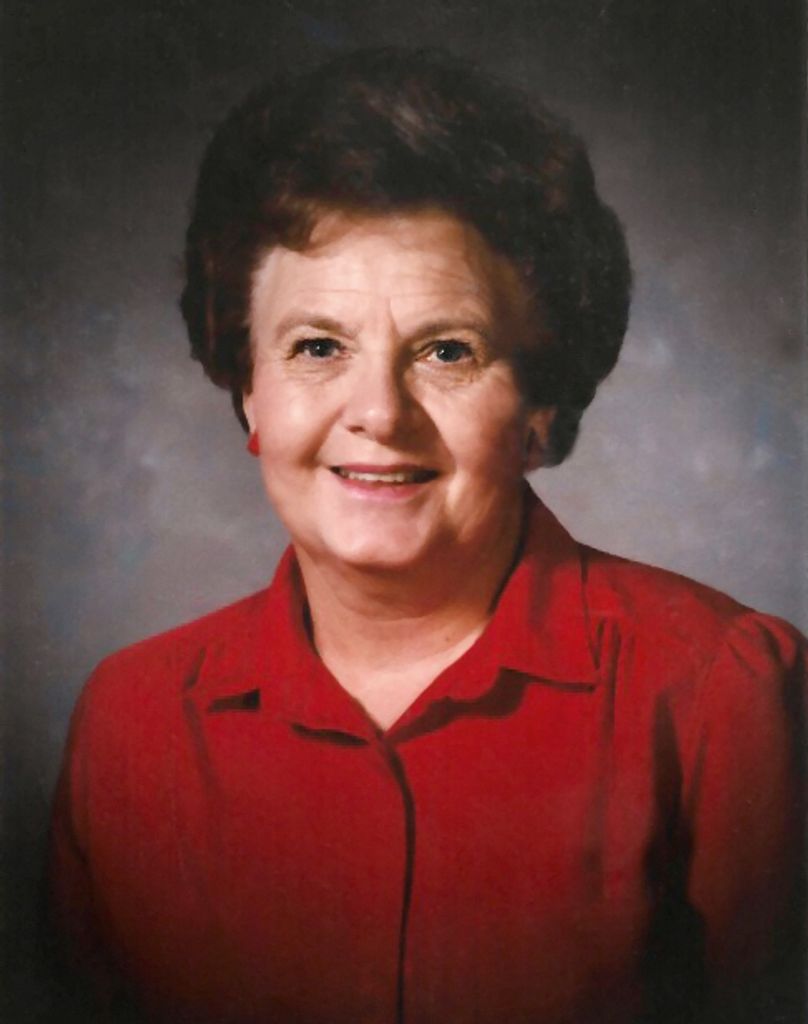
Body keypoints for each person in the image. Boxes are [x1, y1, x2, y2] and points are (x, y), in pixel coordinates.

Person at [47, 47, 805, 1024]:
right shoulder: (132, 720)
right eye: (317, 346)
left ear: (537, 408)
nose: (379, 413)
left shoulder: (719, 695)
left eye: (448, 350)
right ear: (249, 393)